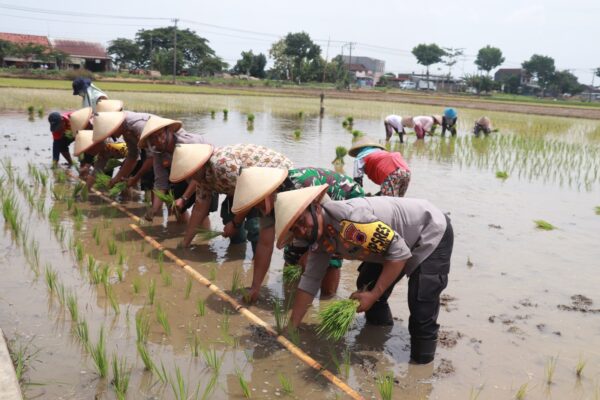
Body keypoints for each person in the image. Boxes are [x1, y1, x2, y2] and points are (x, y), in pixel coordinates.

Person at [273, 185, 453, 365]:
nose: (303, 231)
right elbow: (310, 280)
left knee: (421, 303)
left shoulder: (351, 222)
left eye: (302, 221)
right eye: (295, 229)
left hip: (429, 231)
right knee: (366, 283)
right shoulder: (318, 237)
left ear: (316, 207)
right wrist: (292, 327)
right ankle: (378, 335)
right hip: (392, 244)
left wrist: (374, 295)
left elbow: (399, 253)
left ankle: (421, 367)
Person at [229, 166, 365, 302]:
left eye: (258, 204)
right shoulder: (265, 203)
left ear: (267, 192)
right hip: (308, 217)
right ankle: (292, 302)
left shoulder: (302, 184)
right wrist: (255, 287)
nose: (259, 208)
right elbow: (265, 245)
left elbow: (329, 227)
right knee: (292, 258)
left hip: (340, 204)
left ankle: (326, 300)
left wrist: (311, 252)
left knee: (330, 256)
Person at [168, 144, 293, 252]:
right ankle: (238, 251)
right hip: (243, 186)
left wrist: (235, 223)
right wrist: (185, 243)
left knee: (254, 226)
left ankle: (257, 260)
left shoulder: (222, 165)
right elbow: (199, 210)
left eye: (191, 174)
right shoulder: (201, 178)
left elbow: (250, 195)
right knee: (228, 216)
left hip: (272, 179)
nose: (191, 179)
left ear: (199, 164)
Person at [137, 116, 210, 223]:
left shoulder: (188, 144)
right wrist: (154, 209)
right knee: (176, 207)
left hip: (207, 174)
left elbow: (199, 176)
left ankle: (203, 239)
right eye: (153, 138)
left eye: (160, 134)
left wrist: (184, 198)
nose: (158, 140)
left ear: (169, 131)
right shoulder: (158, 152)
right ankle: (181, 231)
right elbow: (161, 182)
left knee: (200, 211)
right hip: (185, 174)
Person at [91, 110, 155, 194]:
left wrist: (135, 178)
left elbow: (152, 157)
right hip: (151, 153)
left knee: (157, 183)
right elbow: (133, 156)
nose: (112, 135)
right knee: (149, 183)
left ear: (115, 124)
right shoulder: (126, 131)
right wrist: (116, 179)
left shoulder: (138, 125)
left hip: (169, 151)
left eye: (111, 132)